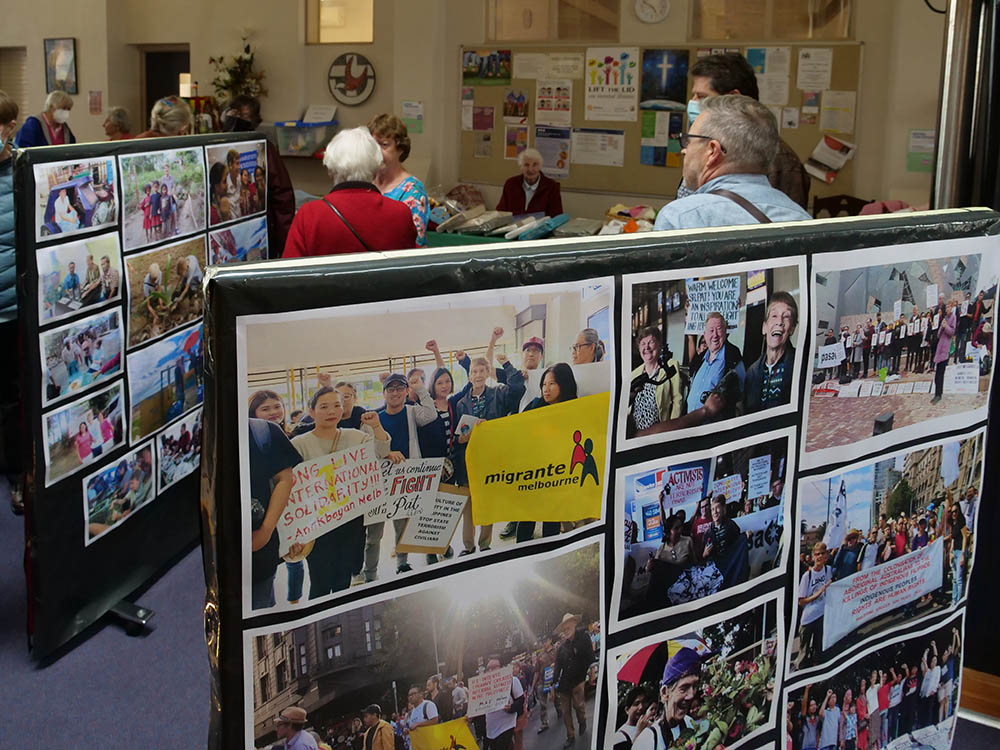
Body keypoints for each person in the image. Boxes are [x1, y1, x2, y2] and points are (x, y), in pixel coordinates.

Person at [292, 387, 395, 596]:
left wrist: (376, 426)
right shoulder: (299, 444)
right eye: (324, 407)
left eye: (336, 405)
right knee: (319, 583)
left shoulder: (357, 437)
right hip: (318, 526)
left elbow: (382, 452)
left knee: (343, 580)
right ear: (311, 411)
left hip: (351, 522)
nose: (332, 411)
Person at [654, 95, 812, 230]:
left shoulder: (681, 218)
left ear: (713, 151)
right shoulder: (803, 221)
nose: (684, 150)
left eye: (688, 140)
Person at [678, 53, 808, 208]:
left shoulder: (776, 157)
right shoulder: (701, 143)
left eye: (701, 96)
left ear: (733, 98)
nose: (693, 102)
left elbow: (782, 226)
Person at [284, 127, 416, 257]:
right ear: (376, 169)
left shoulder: (309, 215)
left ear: (330, 171)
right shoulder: (400, 213)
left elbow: (290, 272)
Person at [362, 372, 437, 579]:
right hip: (379, 482)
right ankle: (370, 573)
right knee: (373, 535)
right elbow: (368, 450)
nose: (395, 393)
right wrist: (386, 454)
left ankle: (402, 564)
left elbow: (431, 414)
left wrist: (420, 388)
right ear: (384, 393)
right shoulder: (373, 419)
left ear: (406, 392)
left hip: (405, 480)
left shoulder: (412, 412)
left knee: (402, 526)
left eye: (399, 389)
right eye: (391, 389)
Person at [453, 355, 525, 555]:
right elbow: (458, 438)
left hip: (493, 459)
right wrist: (470, 434)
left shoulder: (499, 394)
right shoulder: (461, 404)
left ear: (488, 373)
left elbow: (519, 389)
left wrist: (507, 365)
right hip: (470, 461)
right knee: (468, 508)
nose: (477, 375)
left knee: (488, 504)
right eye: (474, 372)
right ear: (469, 376)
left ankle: (485, 544)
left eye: (481, 371)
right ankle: (468, 546)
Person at [369, 114, 430, 246]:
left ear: (400, 149)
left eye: (384, 145)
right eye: (373, 146)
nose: (377, 152)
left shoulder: (413, 191)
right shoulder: (366, 182)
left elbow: (415, 242)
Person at [631, 648, 702, 749]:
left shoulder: (689, 723)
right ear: (664, 693)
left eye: (694, 686)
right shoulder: (646, 742)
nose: (691, 695)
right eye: (684, 688)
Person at [744, 292, 798, 413]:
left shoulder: (799, 366)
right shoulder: (752, 372)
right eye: (774, 315)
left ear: (792, 329)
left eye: (786, 316)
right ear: (764, 328)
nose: (779, 321)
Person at [687, 312, 746, 422]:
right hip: (691, 426)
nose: (715, 335)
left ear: (725, 332)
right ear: (704, 334)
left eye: (719, 329)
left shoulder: (733, 358)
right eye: (711, 330)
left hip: (715, 430)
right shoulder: (699, 360)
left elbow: (742, 397)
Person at [628, 326, 682, 433]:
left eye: (651, 342)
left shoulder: (670, 366)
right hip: (636, 433)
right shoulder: (634, 373)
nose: (647, 347)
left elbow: (677, 401)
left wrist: (671, 431)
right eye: (643, 343)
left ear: (659, 344)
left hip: (659, 432)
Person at [553, 614, 591, 749]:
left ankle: (582, 721)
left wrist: (590, 672)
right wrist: (553, 684)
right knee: (565, 712)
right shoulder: (562, 647)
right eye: (564, 627)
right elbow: (557, 666)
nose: (566, 629)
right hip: (564, 685)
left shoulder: (584, 638)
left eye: (568, 625)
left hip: (578, 680)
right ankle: (570, 735)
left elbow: (590, 657)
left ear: (575, 623)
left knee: (579, 706)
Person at [495, 147, 563, 216]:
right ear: (521, 167)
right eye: (526, 165)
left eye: (535, 165)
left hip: (542, 226)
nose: (530, 169)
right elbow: (501, 212)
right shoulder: (511, 184)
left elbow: (557, 218)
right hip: (514, 226)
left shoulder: (552, 187)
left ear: (540, 166)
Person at [798, 542, 833, 668]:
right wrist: (817, 594)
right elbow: (801, 602)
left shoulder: (828, 570)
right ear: (813, 556)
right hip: (808, 619)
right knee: (803, 654)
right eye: (817, 554)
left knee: (818, 651)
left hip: (822, 616)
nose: (819, 557)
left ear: (826, 556)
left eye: (822, 554)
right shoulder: (807, 576)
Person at [481, 657, 524, 750]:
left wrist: (512, 708)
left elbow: (520, 701)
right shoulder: (484, 687)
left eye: (494, 667)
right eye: (488, 668)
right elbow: (480, 707)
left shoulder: (513, 681)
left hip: (507, 725)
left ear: (501, 668)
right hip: (491, 730)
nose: (491, 670)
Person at [931, 300, 956, 404]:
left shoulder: (953, 317)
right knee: (937, 374)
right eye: (947, 308)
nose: (948, 309)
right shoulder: (945, 318)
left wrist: (946, 327)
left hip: (945, 349)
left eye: (949, 307)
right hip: (939, 348)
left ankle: (938, 395)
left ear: (952, 308)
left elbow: (952, 332)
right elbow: (938, 334)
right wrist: (942, 326)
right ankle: (937, 393)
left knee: (940, 374)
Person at [613, 685, 653, 749]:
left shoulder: (651, 727)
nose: (641, 707)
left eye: (644, 702)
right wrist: (639, 733)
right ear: (627, 710)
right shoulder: (620, 737)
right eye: (636, 704)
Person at [949, 503, 969, 605]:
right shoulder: (954, 524)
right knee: (954, 579)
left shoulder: (962, 522)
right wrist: (951, 552)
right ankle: (954, 600)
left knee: (959, 578)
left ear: (959, 511)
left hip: (960, 551)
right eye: (952, 511)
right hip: (954, 552)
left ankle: (959, 601)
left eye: (955, 511)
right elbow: (953, 539)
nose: (954, 513)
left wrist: (962, 554)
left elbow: (965, 537)